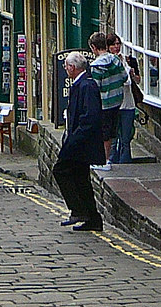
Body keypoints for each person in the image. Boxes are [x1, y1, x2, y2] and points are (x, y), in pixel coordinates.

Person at [52, 51, 104, 232]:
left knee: (60, 170)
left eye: (66, 66)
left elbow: (91, 117)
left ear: (73, 68)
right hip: (77, 140)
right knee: (81, 179)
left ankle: (78, 210)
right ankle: (93, 219)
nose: (65, 69)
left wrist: (74, 139)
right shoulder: (79, 84)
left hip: (81, 142)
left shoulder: (86, 86)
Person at [87, 32, 127, 170]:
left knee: (104, 132)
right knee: (111, 132)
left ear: (94, 47)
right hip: (117, 101)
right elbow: (125, 77)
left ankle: (104, 161)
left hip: (104, 104)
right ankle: (107, 158)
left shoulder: (96, 67)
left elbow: (95, 88)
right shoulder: (116, 60)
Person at [108, 34, 139, 164]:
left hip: (128, 103)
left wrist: (132, 75)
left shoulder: (128, 60)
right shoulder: (107, 62)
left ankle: (126, 165)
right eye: (113, 44)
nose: (116, 47)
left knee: (126, 138)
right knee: (114, 138)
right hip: (114, 104)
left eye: (118, 44)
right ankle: (113, 162)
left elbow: (137, 80)